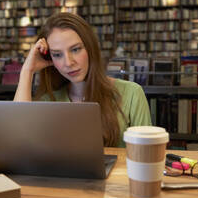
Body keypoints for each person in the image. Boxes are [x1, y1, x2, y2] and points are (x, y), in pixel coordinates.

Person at [14, 12, 151, 147]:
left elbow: (147, 155)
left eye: (75, 50)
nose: (68, 62)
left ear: (90, 48)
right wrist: (27, 71)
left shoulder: (132, 93)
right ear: (50, 58)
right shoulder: (48, 101)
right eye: (57, 54)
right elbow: (18, 141)